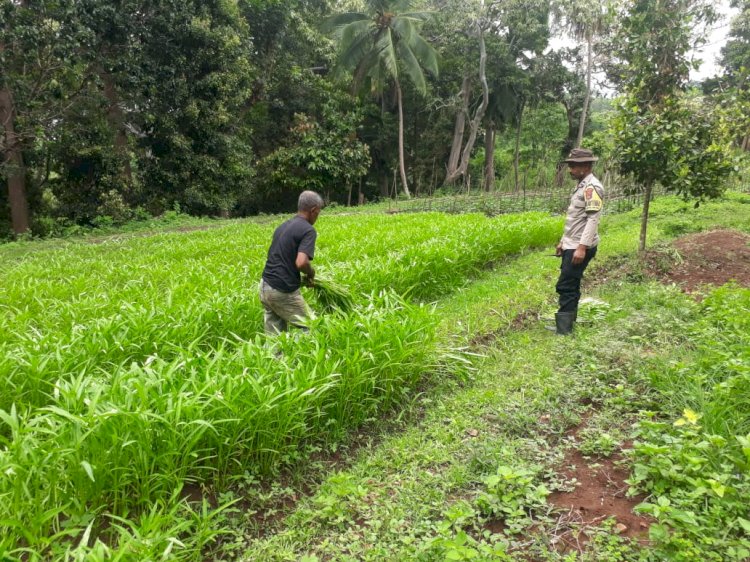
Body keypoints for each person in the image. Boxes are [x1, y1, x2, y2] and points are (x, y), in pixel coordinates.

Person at [550, 148, 604, 335]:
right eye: (570, 165)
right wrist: (562, 242)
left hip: (579, 246)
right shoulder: (582, 185)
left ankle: (564, 330)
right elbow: (575, 220)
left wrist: (581, 248)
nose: (570, 169)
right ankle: (567, 322)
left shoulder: (592, 187)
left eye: (574, 165)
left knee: (565, 285)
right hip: (571, 243)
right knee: (571, 283)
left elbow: (592, 219)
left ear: (586, 166)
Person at [259, 190, 323, 334]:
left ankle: (275, 357)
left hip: (265, 286)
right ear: (313, 211)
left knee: (275, 339)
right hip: (281, 290)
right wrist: (311, 273)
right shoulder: (308, 230)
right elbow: (301, 262)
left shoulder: (283, 226)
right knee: (313, 328)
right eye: (318, 213)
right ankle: (306, 355)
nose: (317, 216)